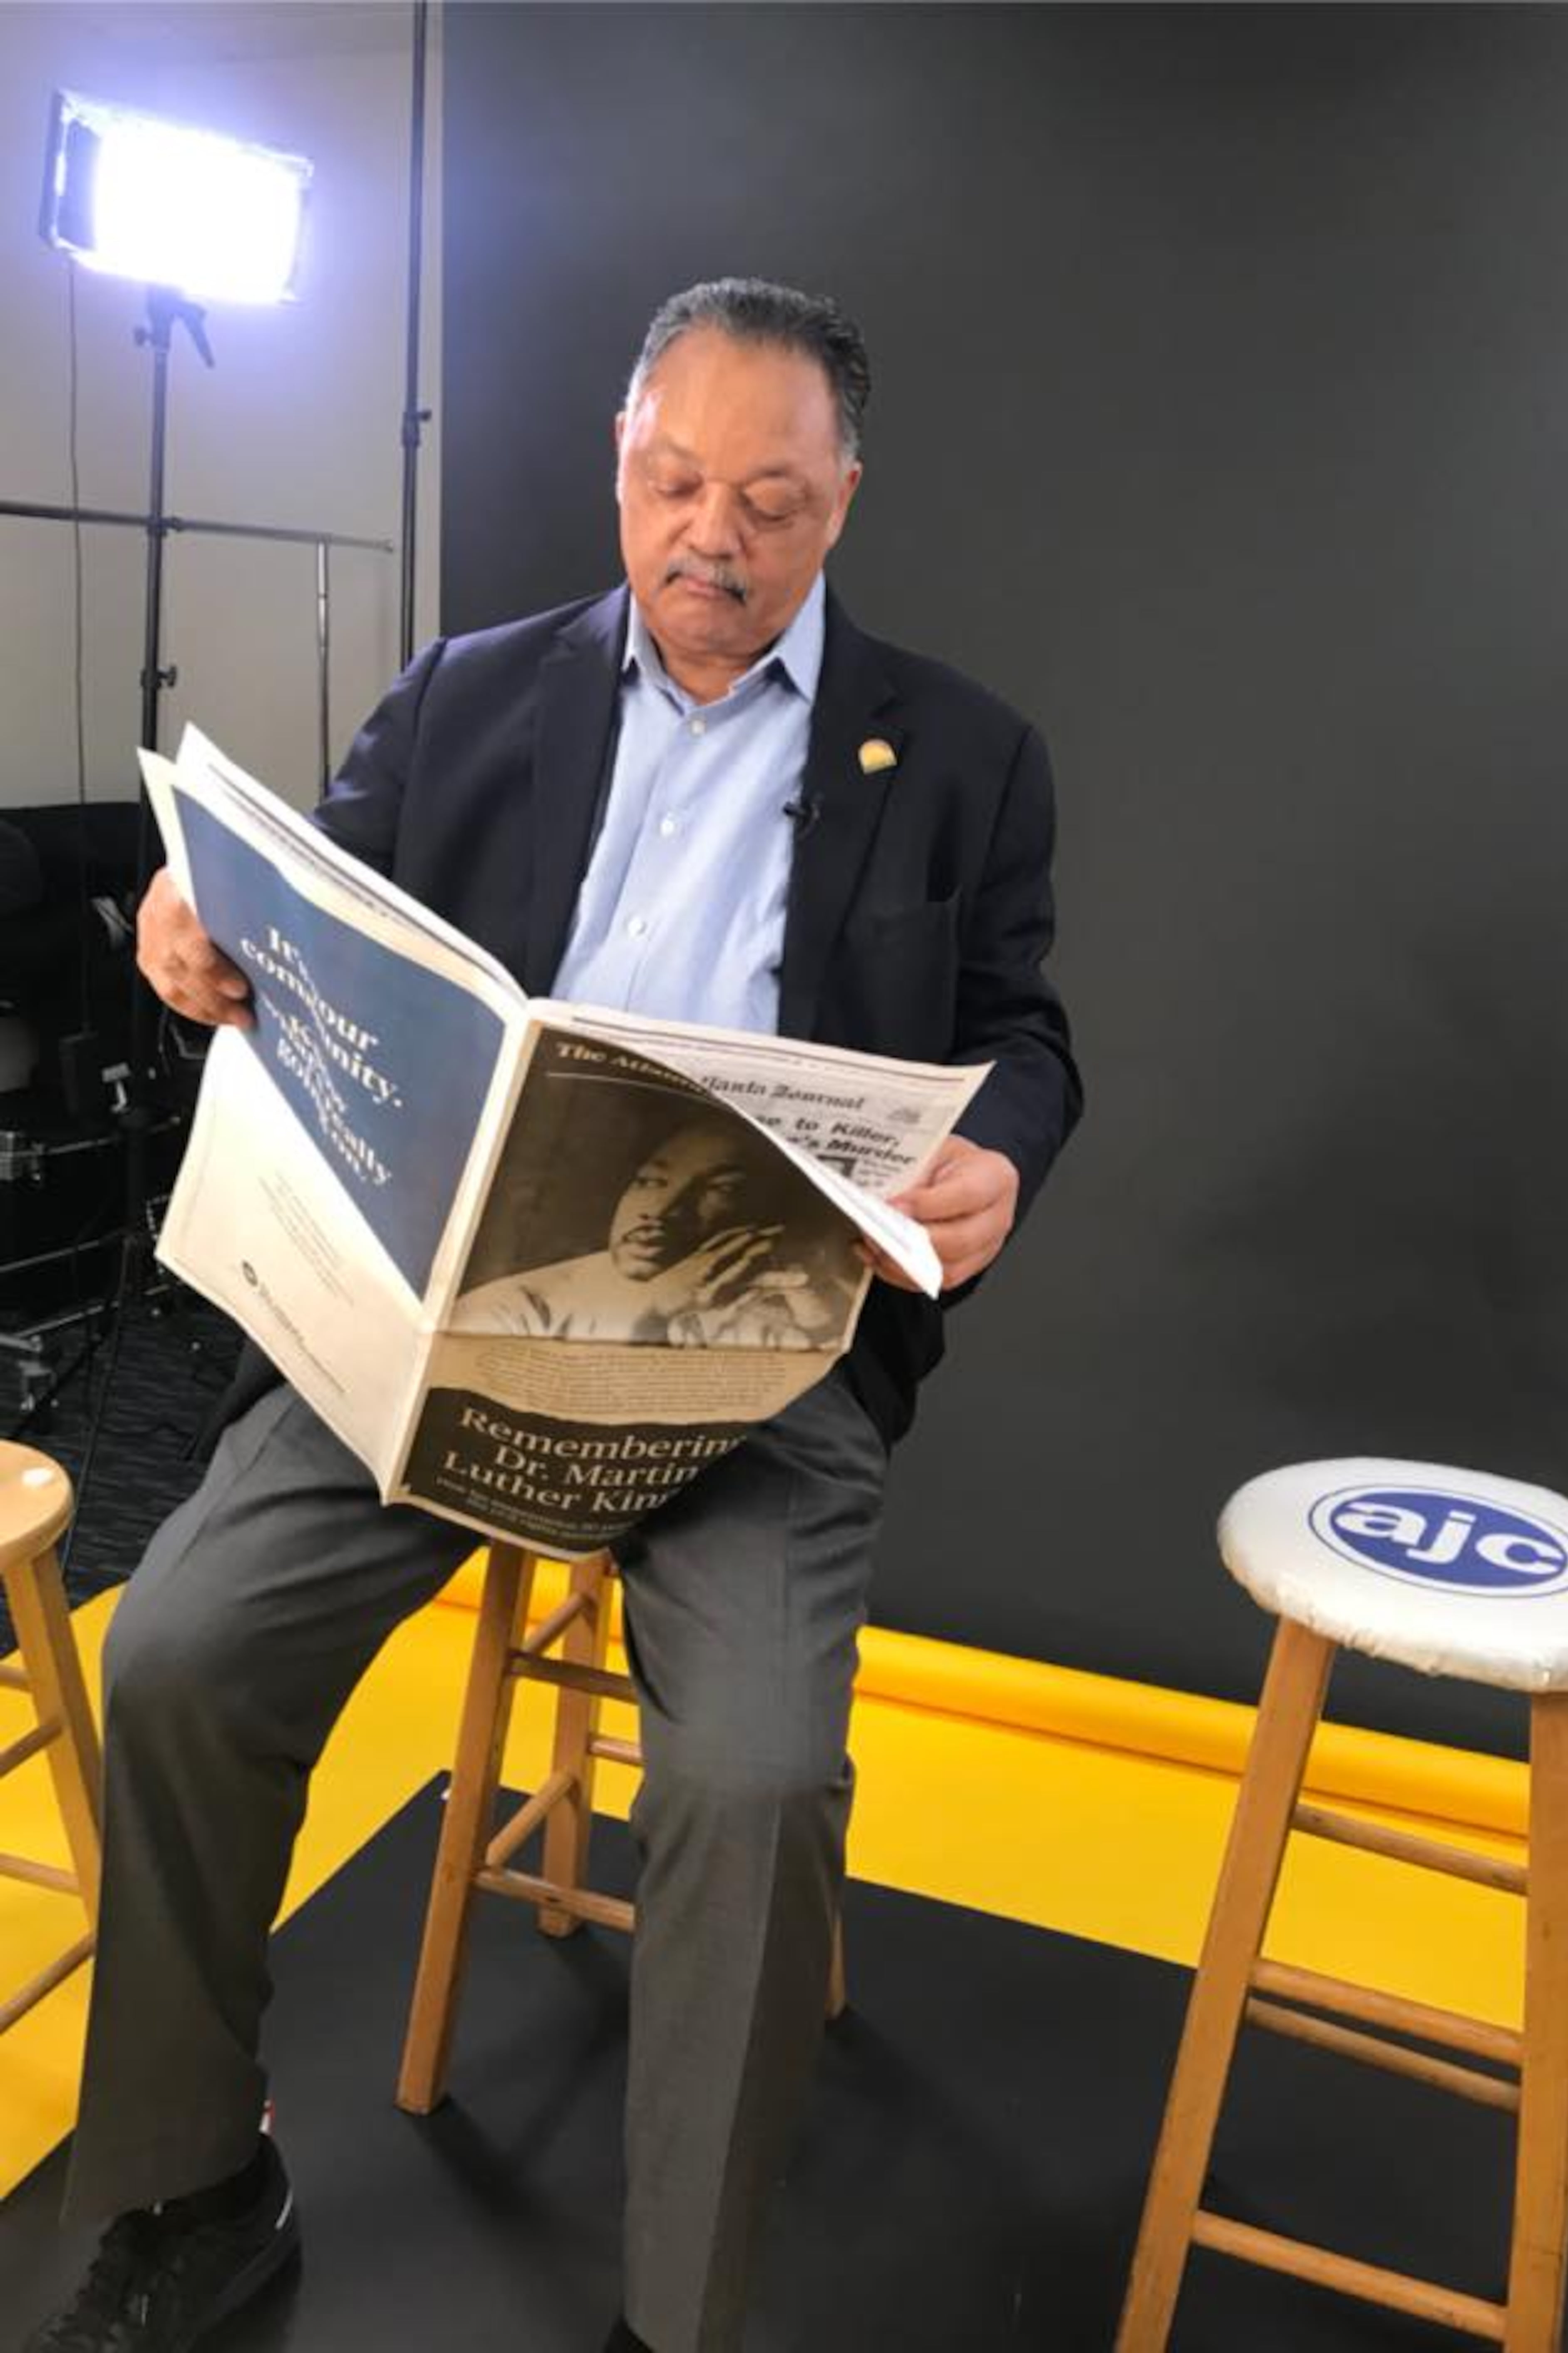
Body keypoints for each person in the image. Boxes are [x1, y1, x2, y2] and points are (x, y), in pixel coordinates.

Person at [30, 279, 1081, 2353]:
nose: (716, 533)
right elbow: (306, 914)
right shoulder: (466, 693)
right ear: (623, 470)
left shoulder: (965, 754)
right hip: (437, 1320)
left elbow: (1023, 1034)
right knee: (175, 1639)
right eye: (677, 482)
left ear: (842, 505)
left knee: (761, 1781)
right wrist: (198, 934)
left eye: (771, 498)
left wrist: (1011, 1154)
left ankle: (680, 2311)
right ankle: (189, 2172)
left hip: (754, 1354)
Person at [456, 1110, 851, 1348]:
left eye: (720, 1190)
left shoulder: (775, 1307)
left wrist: (819, 1320)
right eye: (649, 1182)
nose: (660, 1212)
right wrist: (655, 1308)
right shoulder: (514, 1308)